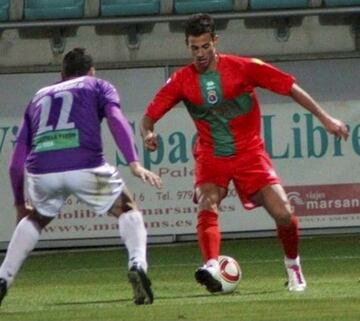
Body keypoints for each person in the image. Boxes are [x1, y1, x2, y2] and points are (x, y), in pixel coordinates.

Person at [140, 13, 349, 293]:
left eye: (205, 46)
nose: (200, 54)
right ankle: (212, 266)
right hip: (212, 155)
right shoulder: (181, 81)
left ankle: (293, 266)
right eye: (194, 48)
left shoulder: (244, 67)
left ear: (215, 41)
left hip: (249, 154)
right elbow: (148, 117)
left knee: (284, 213)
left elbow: (290, 87)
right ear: (187, 46)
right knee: (207, 200)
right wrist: (148, 134)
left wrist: (326, 119)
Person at [0, 48, 162, 306]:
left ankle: (3, 278)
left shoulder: (38, 97)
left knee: (37, 218)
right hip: (85, 166)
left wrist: (20, 203)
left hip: (41, 172)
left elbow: (14, 164)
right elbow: (116, 119)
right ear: (91, 71)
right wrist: (134, 163)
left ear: (61, 74)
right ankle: (137, 264)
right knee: (127, 207)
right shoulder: (98, 85)